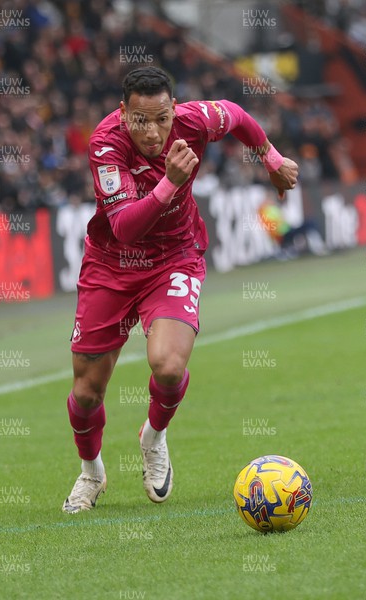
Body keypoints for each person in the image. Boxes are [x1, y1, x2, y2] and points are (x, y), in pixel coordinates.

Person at [63, 66, 298, 513]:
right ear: (122, 113)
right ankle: (91, 472)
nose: (153, 132)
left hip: (175, 256)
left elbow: (236, 114)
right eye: (140, 121)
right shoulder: (105, 143)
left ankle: (153, 436)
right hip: (111, 265)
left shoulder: (195, 120)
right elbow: (126, 229)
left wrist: (271, 160)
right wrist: (170, 181)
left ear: (175, 110)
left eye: (162, 119)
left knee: (168, 366)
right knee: (87, 391)